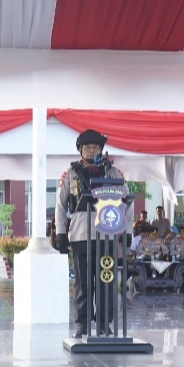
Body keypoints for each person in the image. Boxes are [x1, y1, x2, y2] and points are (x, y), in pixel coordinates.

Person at [54, 128, 131, 337]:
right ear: (80, 150)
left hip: (107, 234)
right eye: (87, 147)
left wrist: (127, 231)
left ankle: (104, 323)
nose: (91, 151)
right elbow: (60, 206)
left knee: (107, 281)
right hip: (81, 234)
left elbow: (127, 202)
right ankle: (83, 323)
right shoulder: (70, 174)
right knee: (83, 283)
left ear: (101, 150)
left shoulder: (113, 173)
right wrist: (60, 233)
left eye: (95, 147)